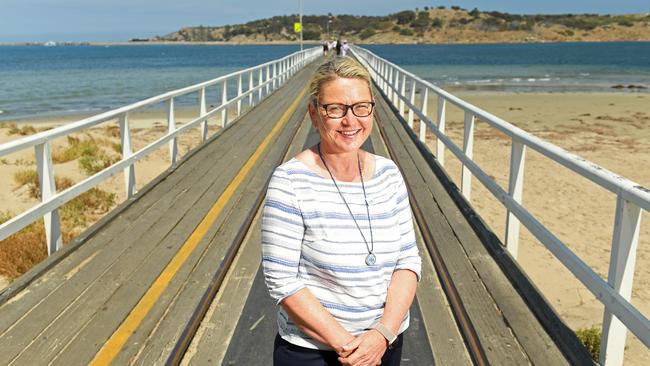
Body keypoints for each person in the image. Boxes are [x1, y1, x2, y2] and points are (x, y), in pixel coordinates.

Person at [262, 57, 421, 366]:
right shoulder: (290, 181)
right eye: (335, 109)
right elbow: (282, 279)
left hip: (384, 345)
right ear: (314, 114)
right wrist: (349, 347)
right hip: (313, 353)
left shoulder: (389, 173)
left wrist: (381, 334)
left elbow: (408, 259)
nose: (351, 121)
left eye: (361, 107)